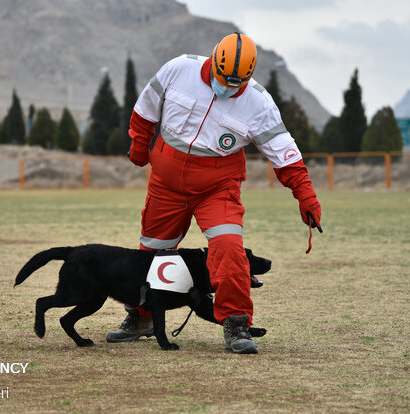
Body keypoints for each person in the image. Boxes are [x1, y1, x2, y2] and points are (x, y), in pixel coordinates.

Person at [106, 32, 322, 354]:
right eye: (224, 80)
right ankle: (143, 316)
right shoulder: (179, 70)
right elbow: (146, 108)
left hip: (217, 188)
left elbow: (284, 152)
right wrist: (139, 143)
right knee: (151, 253)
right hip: (166, 186)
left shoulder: (258, 103)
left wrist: (305, 194)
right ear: (213, 61)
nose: (229, 88)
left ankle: (236, 324)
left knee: (228, 246)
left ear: (248, 77)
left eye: (238, 83)